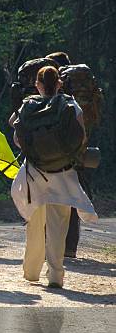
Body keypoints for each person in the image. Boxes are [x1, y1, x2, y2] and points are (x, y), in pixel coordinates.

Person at [10, 66, 98, 288]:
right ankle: (56, 275)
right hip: (63, 172)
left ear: (38, 85)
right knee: (58, 225)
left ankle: (31, 271)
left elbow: (17, 137)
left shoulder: (28, 105)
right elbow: (81, 136)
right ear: (59, 83)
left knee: (34, 222)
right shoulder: (69, 104)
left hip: (35, 172)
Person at [46, 51, 102, 258]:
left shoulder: (50, 88)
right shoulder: (83, 89)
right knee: (72, 200)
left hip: (50, 154)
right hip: (78, 152)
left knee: (47, 199)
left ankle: (48, 246)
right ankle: (69, 248)